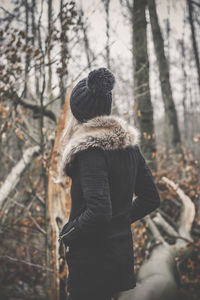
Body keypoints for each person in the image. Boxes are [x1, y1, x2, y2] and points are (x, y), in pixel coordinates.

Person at [57, 67, 161, 300]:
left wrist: (68, 234)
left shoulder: (89, 151)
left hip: (91, 265)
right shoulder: (128, 146)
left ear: (79, 113)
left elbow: (99, 210)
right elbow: (151, 198)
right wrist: (121, 219)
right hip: (118, 258)